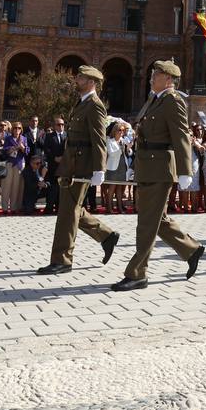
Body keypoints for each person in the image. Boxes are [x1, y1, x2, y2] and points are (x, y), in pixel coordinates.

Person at [112, 60, 203, 291]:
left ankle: (137, 273)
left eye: (157, 74)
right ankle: (190, 249)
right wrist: (135, 163)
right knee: (157, 220)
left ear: (169, 79)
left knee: (146, 223)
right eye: (153, 73)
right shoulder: (155, 99)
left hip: (160, 167)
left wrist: (185, 171)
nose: (152, 77)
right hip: (148, 165)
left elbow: (181, 135)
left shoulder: (172, 101)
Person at [40, 65, 120, 274]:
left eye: (81, 78)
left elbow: (99, 138)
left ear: (91, 82)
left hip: (81, 166)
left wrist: (99, 169)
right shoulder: (82, 102)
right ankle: (106, 235)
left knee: (67, 212)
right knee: (71, 208)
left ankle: (62, 260)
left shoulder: (94, 105)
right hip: (71, 163)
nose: (77, 80)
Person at [43, 118, 67, 214]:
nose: (61, 126)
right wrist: (54, 158)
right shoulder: (49, 136)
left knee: (61, 188)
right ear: (54, 126)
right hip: (53, 166)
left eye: (62, 124)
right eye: (58, 124)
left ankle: (59, 208)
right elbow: (46, 150)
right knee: (52, 188)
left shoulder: (67, 135)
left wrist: (64, 158)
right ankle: (49, 207)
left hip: (64, 166)